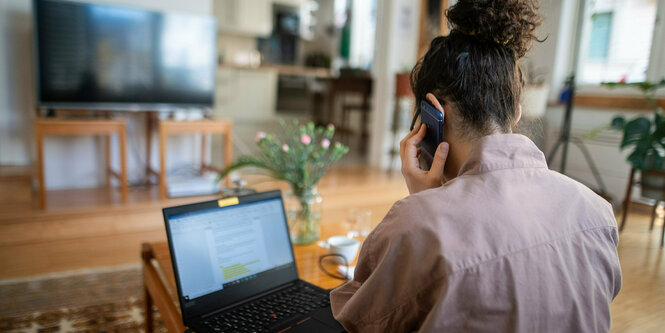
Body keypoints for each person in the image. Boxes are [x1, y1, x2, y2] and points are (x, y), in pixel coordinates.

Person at [329, 0, 622, 332]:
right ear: (515, 113)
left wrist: (423, 205)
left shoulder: (415, 226)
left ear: (434, 113)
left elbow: (356, 317)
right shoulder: (598, 214)